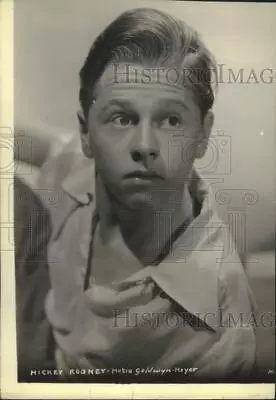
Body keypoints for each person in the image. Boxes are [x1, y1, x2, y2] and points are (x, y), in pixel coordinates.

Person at [28, 8, 257, 382]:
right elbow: (44, 147)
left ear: (202, 135)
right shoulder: (77, 173)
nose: (145, 146)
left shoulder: (221, 316)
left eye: (170, 120)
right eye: (122, 118)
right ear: (86, 133)